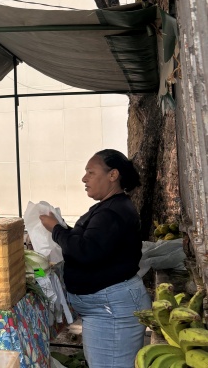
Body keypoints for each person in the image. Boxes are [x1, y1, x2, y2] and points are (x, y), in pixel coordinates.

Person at [39, 149, 150, 368]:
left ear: (113, 175)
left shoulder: (113, 211)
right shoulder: (110, 207)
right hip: (105, 309)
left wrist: (56, 230)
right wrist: (62, 230)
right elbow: (93, 243)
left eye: (91, 172)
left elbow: (86, 250)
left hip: (111, 311)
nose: (84, 178)